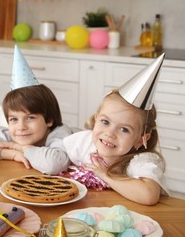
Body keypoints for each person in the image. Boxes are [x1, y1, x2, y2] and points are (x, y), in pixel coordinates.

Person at [63, 53, 170, 205]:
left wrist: (105, 175)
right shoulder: (85, 142)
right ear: (96, 118)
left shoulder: (141, 161)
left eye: (124, 130)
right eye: (105, 122)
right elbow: (54, 154)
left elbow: (148, 196)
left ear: (141, 139)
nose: (110, 134)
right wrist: (19, 148)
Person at [0, 45, 74, 175]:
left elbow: (53, 164)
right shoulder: (13, 135)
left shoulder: (60, 134)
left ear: (48, 119)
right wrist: (10, 153)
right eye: (14, 119)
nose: (21, 127)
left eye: (30, 118)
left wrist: (20, 147)